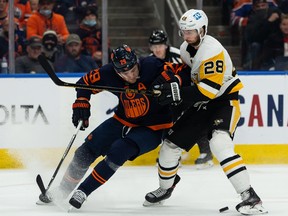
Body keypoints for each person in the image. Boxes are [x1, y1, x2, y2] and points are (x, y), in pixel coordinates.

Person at [144, 9, 267, 215]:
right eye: (184, 31)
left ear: (203, 29)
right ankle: (165, 189)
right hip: (203, 101)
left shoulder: (212, 50)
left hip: (223, 101)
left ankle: (249, 196)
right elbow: (187, 72)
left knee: (220, 143)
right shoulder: (184, 48)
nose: (186, 36)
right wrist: (172, 82)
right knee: (169, 146)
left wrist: (176, 94)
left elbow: (208, 90)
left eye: (191, 31)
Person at [37, 44, 188, 209]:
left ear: (137, 62)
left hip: (154, 127)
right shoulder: (108, 73)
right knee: (85, 151)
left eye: (133, 70)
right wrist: (82, 101)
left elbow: (184, 70)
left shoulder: (153, 66)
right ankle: (62, 191)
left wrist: (174, 82)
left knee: (119, 150)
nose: (131, 75)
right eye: (125, 73)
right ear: (116, 71)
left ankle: (83, 191)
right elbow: (84, 83)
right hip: (122, 120)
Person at [149, 29, 213, 169]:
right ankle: (172, 155)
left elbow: (193, 70)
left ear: (165, 45)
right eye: (154, 47)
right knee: (168, 123)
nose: (157, 49)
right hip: (170, 98)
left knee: (193, 119)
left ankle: (206, 153)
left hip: (187, 92)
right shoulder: (150, 61)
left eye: (160, 46)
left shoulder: (179, 54)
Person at [243, 0, 281, 69]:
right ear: (254, 8)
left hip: (273, 43)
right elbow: (254, 37)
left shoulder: (275, 13)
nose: (261, 8)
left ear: (267, 5)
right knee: (255, 46)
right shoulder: (252, 18)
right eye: (258, 6)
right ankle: (253, 69)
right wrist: (268, 22)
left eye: (263, 5)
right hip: (259, 44)